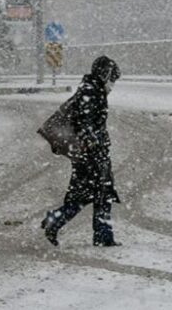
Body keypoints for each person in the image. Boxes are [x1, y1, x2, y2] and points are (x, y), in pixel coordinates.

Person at [41, 56, 121, 247]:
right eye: (112, 80)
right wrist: (93, 143)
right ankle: (59, 221)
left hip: (92, 152)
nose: (113, 85)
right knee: (94, 194)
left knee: (96, 194)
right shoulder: (92, 92)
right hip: (91, 154)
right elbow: (84, 123)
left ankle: (100, 235)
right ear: (105, 75)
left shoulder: (92, 89)